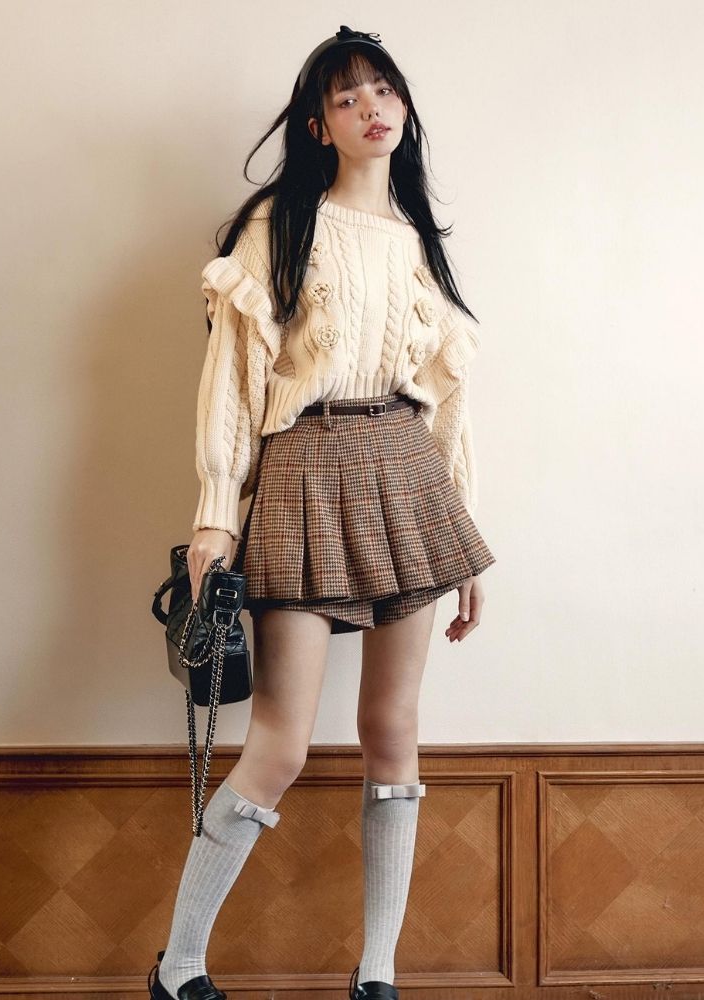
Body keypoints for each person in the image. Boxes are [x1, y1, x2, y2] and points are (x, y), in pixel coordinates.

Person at [148, 24, 496, 1000]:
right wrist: (216, 516)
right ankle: (179, 966)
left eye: (383, 90)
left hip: (407, 479)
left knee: (393, 726)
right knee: (281, 743)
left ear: (404, 109)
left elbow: (450, 403)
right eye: (347, 97)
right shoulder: (281, 226)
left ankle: (377, 972)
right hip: (304, 471)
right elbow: (233, 379)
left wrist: (466, 541)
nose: (370, 107)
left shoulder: (418, 245)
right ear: (318, 125)